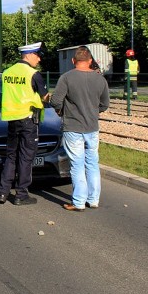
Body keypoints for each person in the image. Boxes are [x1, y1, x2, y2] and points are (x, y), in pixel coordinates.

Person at [50, 46, 111, 211]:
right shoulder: (100, 79)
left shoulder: (67, 78)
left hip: (73, 127)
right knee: (92, 163)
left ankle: (78, 202)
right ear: (90, 61)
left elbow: (55, 101)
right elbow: (105, 104)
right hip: (92, 127)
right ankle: (93, 200)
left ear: (73, 61)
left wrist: (62, 109)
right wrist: (92, 111)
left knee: (77, 164)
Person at [0, 41, 50, 206]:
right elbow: (44, 97)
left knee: (11, 156)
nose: (39, 60)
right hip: (28, 120)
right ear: (30, 55)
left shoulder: (7, 72)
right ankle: (21, 194)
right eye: (38, 56)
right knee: (26, 158)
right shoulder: (33, 74)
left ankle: (2, 193)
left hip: (12, 120)